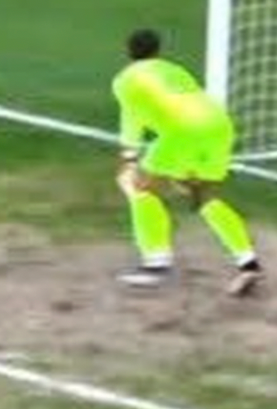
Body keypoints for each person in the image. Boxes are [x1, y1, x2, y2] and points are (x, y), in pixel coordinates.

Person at [112, 29, 263, 296]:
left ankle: (155, 264)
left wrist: (129, 159)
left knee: (138, 187)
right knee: (203, 198)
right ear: (157, 51)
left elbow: (132, 119)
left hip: (183, 132)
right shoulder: (175, 70)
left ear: (129, 51)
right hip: (218, 126)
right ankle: (248, 263)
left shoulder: (126, 79)